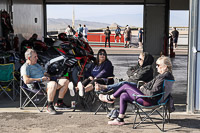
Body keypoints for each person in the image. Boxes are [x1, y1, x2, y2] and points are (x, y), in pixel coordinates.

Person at [98, 56, 174, 125]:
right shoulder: (167, 76)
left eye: (158, 65)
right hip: (155, 100)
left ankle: (110, 98)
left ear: (165, 67)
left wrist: (142, 88)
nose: (156, 67)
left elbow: (152, 93)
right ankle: (120, 119)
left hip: (149, 101)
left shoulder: (162, 77)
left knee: (125, 85)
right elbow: (151, 85)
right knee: (124, 95)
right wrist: (143, 86)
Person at [20, 49, 75, 115]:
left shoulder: (37, 65)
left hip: (46, 82)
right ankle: (49, 106)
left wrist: (52, 77)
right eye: (35, 57)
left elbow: (46, 73)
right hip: (37, 85)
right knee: (53, 84)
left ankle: (59, 103)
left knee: (65, 81)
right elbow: (26, 80)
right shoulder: (25, 67)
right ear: (29, 58)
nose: (37, 58)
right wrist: (41, 79)